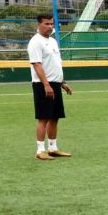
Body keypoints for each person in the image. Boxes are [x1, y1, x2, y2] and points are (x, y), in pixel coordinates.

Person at [27, 12, 71, 160]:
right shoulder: (35, 42)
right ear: (39, 24)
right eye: (47, 24)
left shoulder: (52, 41)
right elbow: (37, 64)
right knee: (44, 117)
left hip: (55, 84)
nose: (50, 26)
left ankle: (53, 148)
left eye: (52, 24)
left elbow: (55, 64)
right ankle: (40, 151)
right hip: (43, 84)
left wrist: (62, 83)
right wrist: (46, 84)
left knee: (55, 117)